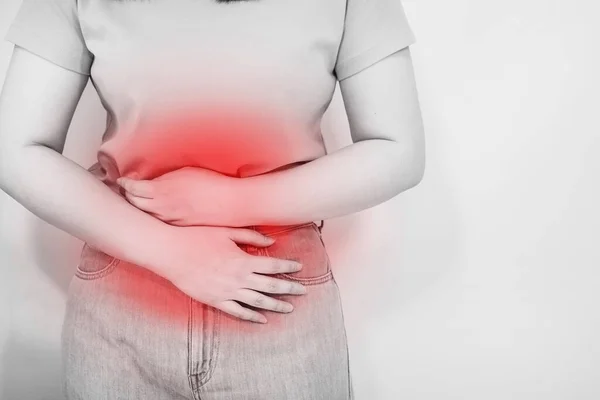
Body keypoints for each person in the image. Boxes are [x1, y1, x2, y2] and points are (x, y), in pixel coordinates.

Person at [0, 0, 425, 398]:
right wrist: (169, 252)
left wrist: (231, 200)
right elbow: (14, 151)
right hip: (121, 309)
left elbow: (398, 151)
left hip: (279, 300)